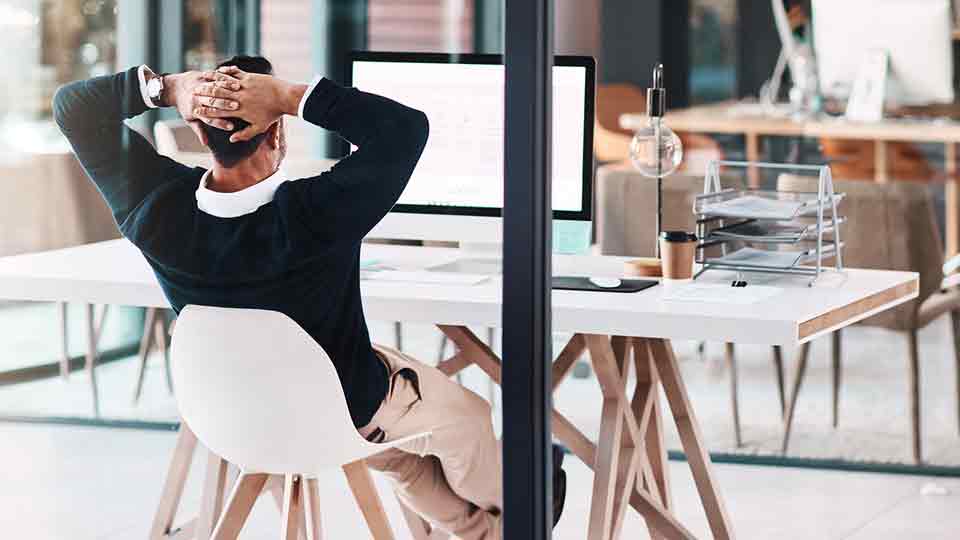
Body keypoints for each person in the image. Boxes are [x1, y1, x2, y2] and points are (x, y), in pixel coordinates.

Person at [53, 55, 565, 539]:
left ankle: (483, 533)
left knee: (399, 455)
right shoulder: (313, 214)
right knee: (469, 414)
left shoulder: (155, 209)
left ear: (196, 126)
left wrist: (167, 87)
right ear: (277, 129)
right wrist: (289, 95)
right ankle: (528, 507)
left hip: (234, 420)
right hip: (346, 409)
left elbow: (71, 106)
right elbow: (406, 130)